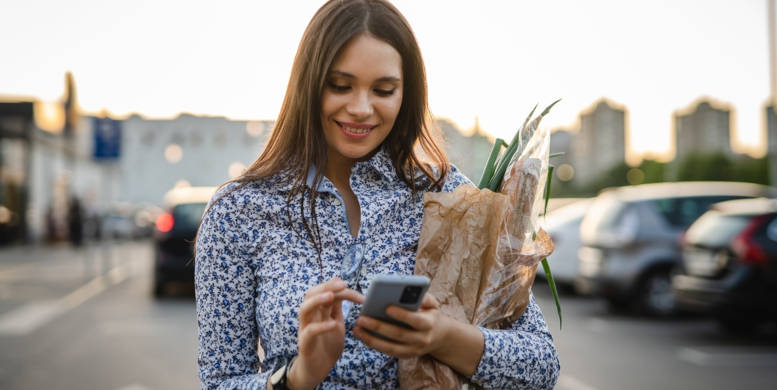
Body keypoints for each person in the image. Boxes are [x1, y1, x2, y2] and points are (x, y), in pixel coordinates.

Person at [195, 1, 560, 389]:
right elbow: (220, 381)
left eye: (383, 90)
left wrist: (442, 336)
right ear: (308, 84)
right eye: (340, 85)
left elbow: (541, 365)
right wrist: (299, 376)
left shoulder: (449, 197)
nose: (360, 108)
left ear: (406, 94)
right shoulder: (239, 210)